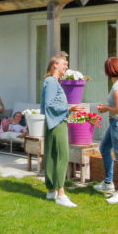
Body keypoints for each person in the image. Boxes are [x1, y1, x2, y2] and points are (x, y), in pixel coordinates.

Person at [40, 56, 83, 207]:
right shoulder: (52, 82)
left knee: (52, 155)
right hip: (57, 123)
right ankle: (61, 194)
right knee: (62, 155)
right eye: (64, 64)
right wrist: (69, 108)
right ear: (55, 66)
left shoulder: (50, 81)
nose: (66, 67)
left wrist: (68, 108)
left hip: (52, 122)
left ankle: (51, 191)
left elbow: (48, 105)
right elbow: (50, 104)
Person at [94, 56, 118, 204]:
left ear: (108, 71)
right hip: (116, 123)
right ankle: (108, 183)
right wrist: (108, 108)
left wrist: (106, 108)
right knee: (104, 148)